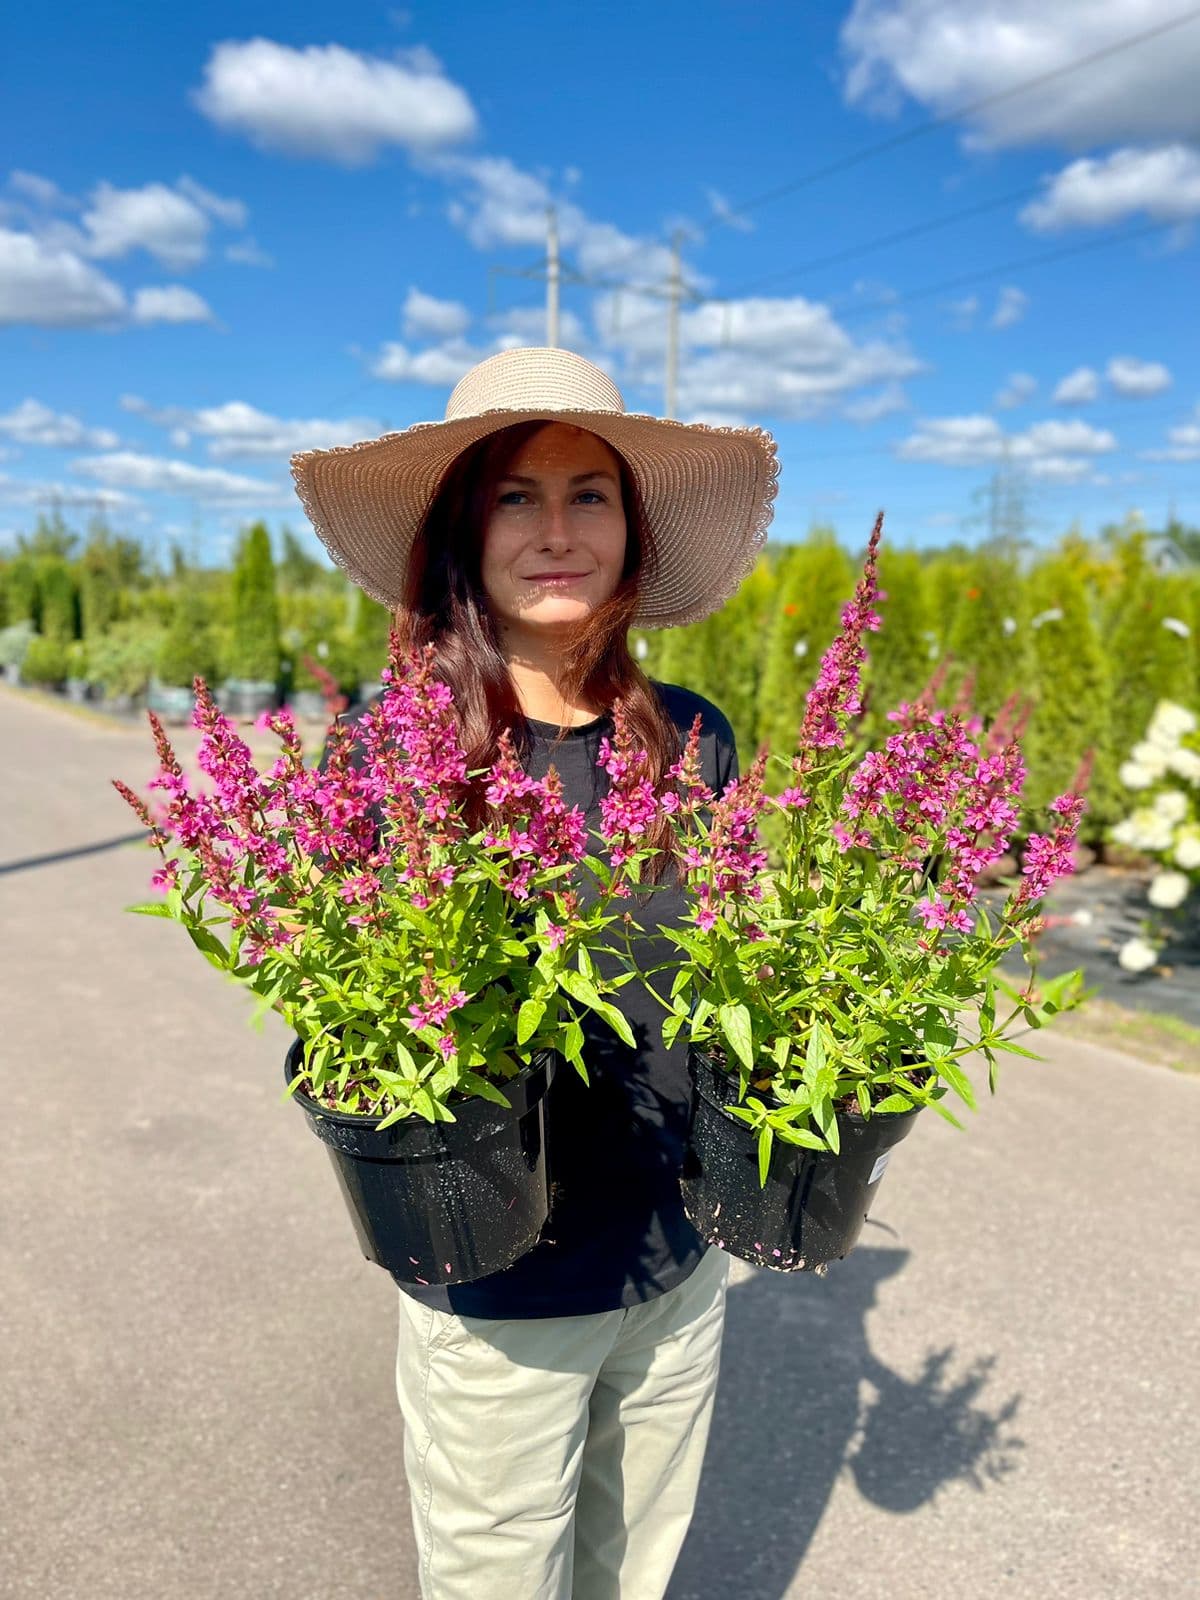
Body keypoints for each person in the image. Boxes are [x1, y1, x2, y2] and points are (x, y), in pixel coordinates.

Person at [290, 346, 778, 1599]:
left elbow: (749, 962)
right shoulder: (395, 752)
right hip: (501, 1278)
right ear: (464, 528)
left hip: (679, 1250)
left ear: (633, 527)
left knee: (635, 1564)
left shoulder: (694, 734)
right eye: (515, 494)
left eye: (589, 493)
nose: (556, 530)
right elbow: (349, 1017)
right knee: (498, 1573)